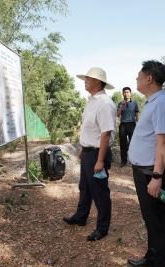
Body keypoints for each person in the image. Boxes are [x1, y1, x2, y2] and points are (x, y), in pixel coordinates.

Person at [127, 60, 165, 267]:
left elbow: (163, 145)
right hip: (144, 171)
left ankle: (162, 263)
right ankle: (152, 258)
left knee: (158, 223)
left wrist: (157, 177)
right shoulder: (152, 103)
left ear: (149, 79)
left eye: (139, 76)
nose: (136, 79)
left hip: (152, 173)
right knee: (151, 220)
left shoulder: (162, 105)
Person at [63, 67, 116, 241]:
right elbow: (89, 129)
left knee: (100, 192)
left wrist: (100, 160)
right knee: (84, 187)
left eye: (88, 78)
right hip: (88, 152)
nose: (85, 80)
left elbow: (106, 133)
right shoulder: (91, 101)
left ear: (98, 82)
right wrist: (82, 149)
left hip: (97, 154)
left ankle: (102, 228)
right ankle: (81, 216)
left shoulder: (105, 103)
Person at [117, 87, 139, 167]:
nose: (126, 94)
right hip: (123, 125)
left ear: (130, 93)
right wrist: (122, 107)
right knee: (123, 144)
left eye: (127, 92)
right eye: (124, 92)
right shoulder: (120, 103)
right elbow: (118, 115)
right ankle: (123, 161)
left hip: (132, 124)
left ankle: (133, 161)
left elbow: (137, 114)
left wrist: (139, 124)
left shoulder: (134, 103)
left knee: (133, 143)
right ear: (122, 93)